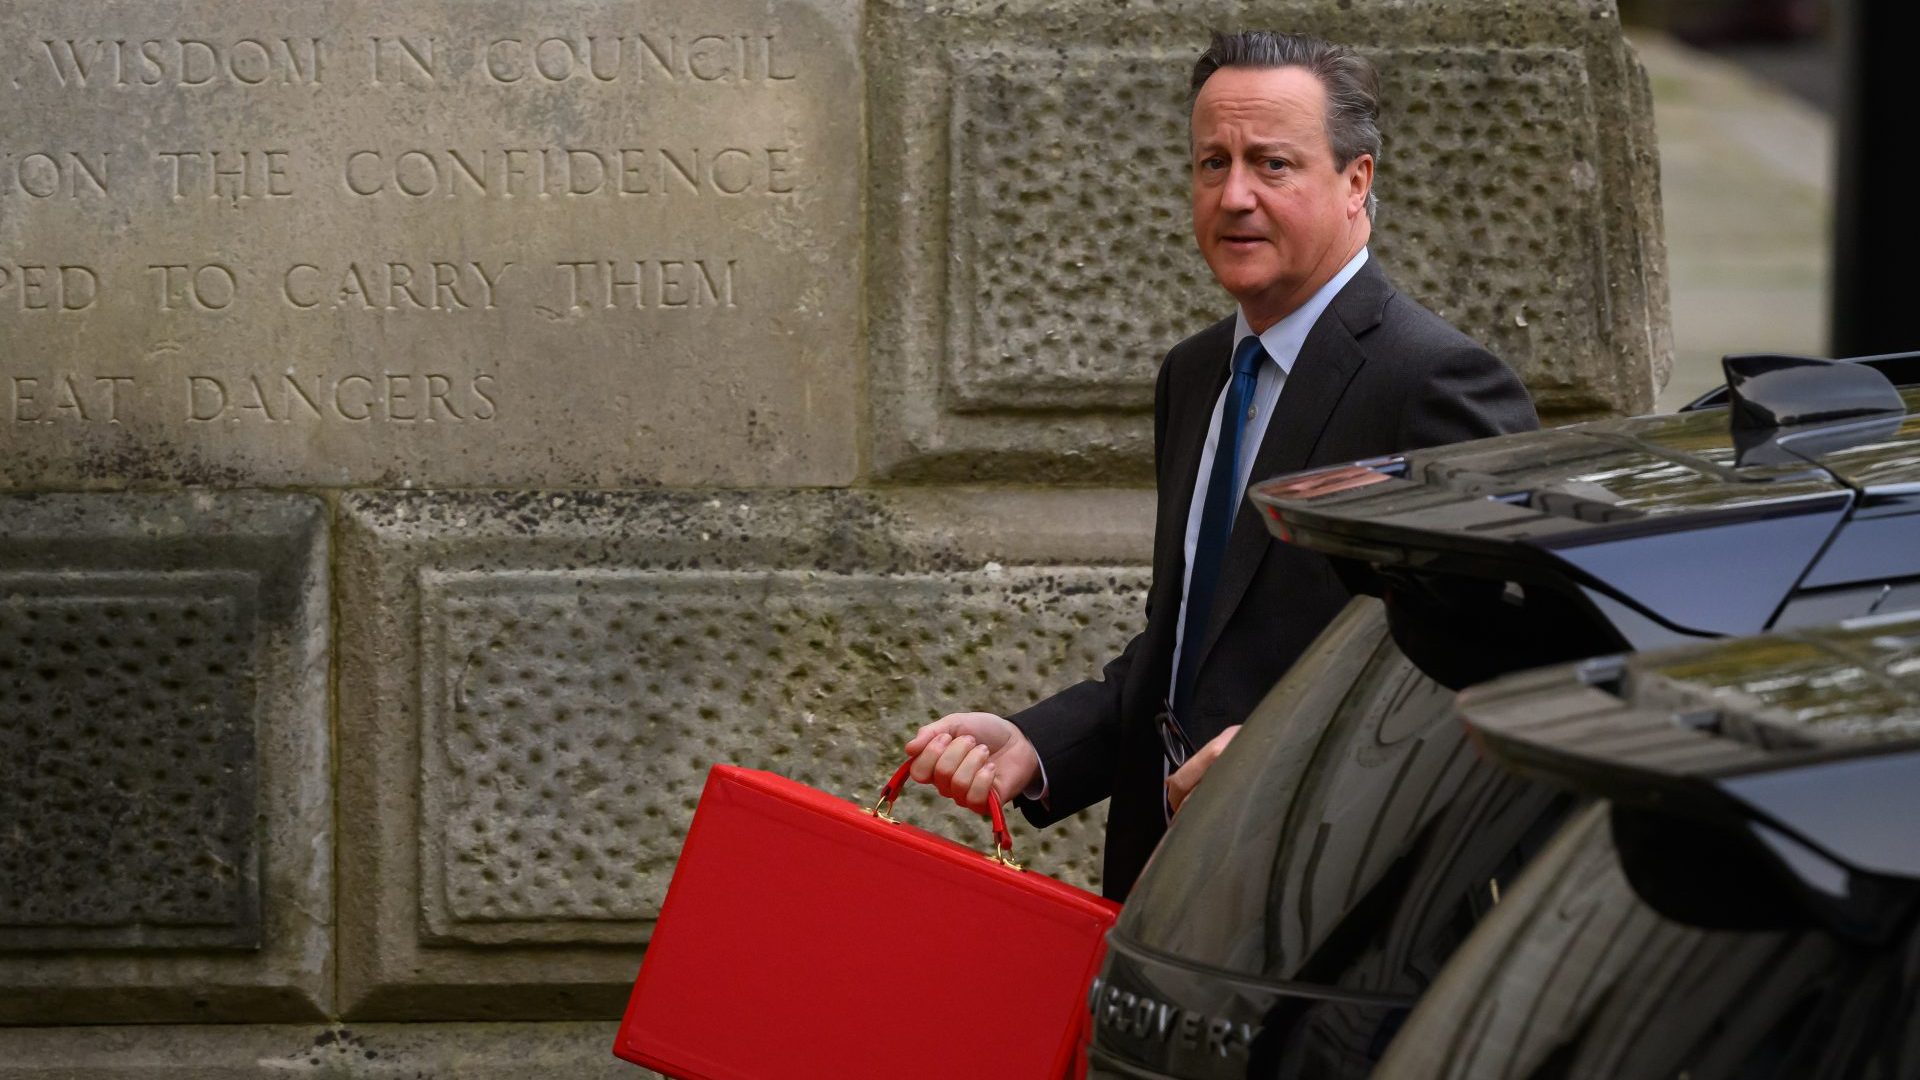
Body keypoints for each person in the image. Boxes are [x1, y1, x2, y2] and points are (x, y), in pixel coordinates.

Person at [904, 30, 1539, 899]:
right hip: (1168, 897)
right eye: (1212, 163)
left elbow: (1499, 672)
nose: (1234, 195)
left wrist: (1289, 761)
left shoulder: (1436, 382)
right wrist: (1044, 745)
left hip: (1340, 916)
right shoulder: (1197, 373)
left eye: (1272, 164)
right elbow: (1195, 648)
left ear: (1357, 182)